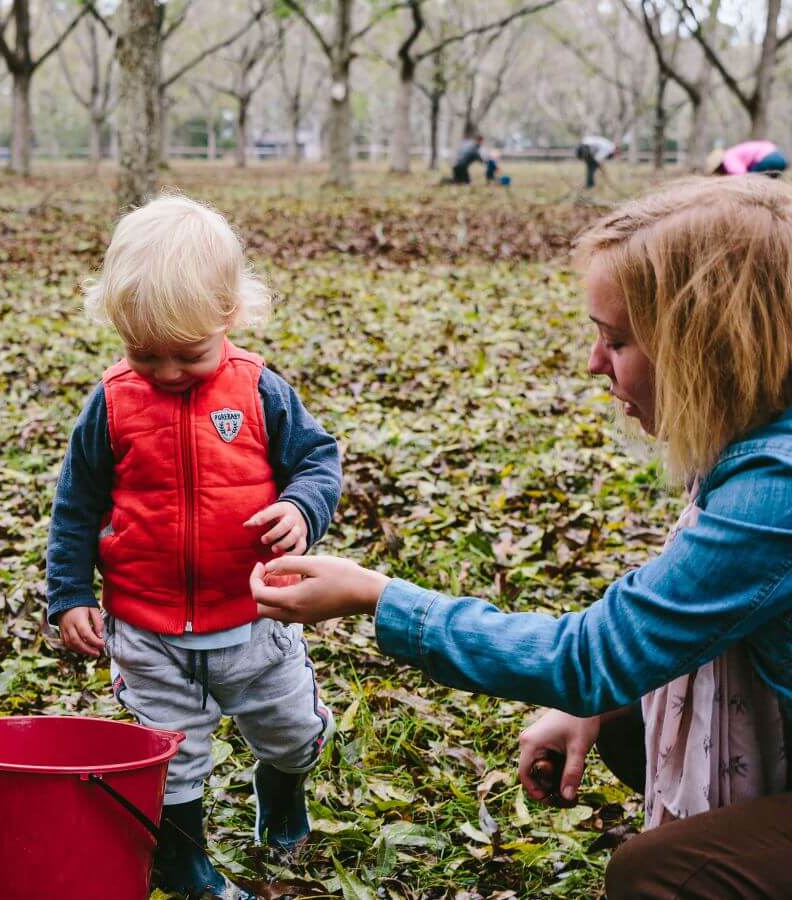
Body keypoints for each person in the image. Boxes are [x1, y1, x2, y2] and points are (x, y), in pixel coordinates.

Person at [248, 177, 792, 899]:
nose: (596, 363)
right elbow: (655, 634)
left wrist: (375, 596)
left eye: (620, 340)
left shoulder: (775, 493)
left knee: (654, 874)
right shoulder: (754, 442)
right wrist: (594, 703)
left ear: (710, 348)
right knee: (626, 713)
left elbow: (590, 655)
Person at [47, 194, 341, 900]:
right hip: (148, 627)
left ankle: (281, 790)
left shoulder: (261, 389)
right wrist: (69, 594)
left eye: (189, 354)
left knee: (293, 731)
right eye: (145, 354)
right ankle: (185, 862)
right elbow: (77, 504)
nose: (168, 372)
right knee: (172, 757)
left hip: (254, 617)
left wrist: (302, 509)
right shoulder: (112, 402)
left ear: (230, 316)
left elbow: (318, 461)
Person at [706, 140, 787, 177]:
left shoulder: (728, 158)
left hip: (767, 159)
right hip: (778, 157)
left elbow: (741, 174)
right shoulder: (733, 152)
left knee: (751, 178)